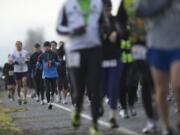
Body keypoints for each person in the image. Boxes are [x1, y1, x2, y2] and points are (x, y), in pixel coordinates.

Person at [56, 0, 107, 134]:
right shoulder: (68, 5)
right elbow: (59, 28)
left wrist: (104, 30)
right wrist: (73, 30)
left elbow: (104, 24)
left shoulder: (98, 3)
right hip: (74, 50)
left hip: (94, 50)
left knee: (95, 87)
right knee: (78, 91)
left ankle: (95, 125)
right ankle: (77, 112)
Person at [136, 0, 180, 134]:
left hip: (177, 45)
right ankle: (165, 125)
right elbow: (140, 11)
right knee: (161, 90)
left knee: (178, 85)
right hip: (156, 45)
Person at [101, 0, 122, 129]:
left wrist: (118, 33)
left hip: (115, 58)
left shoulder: (116, 20)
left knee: (113, 87)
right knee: (102, 89)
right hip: (101, 60)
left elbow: (123, 31)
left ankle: (112, 116)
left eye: (109, 9)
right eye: (105, 10)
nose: (108, 12)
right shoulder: (96, 22)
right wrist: (108, 35)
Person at [37, 41, 60, 110]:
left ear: (50, 47)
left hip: (53, 74)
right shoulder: (41, 55)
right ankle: (49, 103)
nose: (46, 48)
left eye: (47, 47)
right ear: (43, 48)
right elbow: (39, 64)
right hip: (46, 74)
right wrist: (40, 66)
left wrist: (52, 63)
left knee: (53, 88)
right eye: (45, 47)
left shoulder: (54, 54)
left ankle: (52, 94)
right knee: (47, 88)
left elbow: (59, 63)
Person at [12, 41, 29, 105]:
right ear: (15, 46)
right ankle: (19, 97)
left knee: (24, 82)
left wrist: (27, 61)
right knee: (18, 85)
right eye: (17, 45)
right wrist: (15, 62)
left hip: (24, 69)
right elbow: (11, 60)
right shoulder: (13, 53)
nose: (18, 46)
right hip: (17, 70)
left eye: (19, 45)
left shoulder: (25, 52)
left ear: (21, 45)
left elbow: (28, 58)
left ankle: (25, 98)